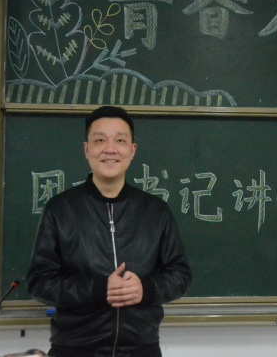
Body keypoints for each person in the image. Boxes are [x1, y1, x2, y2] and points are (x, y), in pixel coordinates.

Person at [27, 106, 192, 357]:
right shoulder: (60, 209)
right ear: (86, 150)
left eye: (120, 140)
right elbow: (39, 282)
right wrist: (97, 289)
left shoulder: (155, 211)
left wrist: (146, 288)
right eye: (100, 140)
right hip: (74, 349)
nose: (110, 149)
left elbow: (180, 275)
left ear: (132, 151)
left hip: (141, 350)